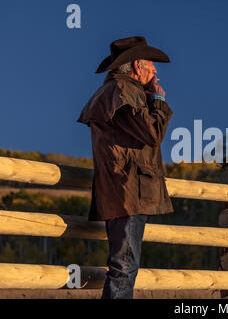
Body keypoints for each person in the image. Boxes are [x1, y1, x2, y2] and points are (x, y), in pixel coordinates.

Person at [77, 36, 174, 299]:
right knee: (124, 267)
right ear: (135, 67)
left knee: (124, 266)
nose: (155, 71)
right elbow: (152, 133)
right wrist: (157, 101)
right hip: (128, 191)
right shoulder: (124, 92)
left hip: (124, 190)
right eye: (150, 65)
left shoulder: (118, 91)